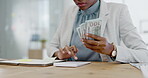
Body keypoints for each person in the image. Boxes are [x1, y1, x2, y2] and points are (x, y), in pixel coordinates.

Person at [48, 0, 148, 63]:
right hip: (70, 73)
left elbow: (144, 54)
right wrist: (59, 54)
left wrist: (112, 50)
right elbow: (52, 46)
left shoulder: (118, 11)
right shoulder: (69, 11)